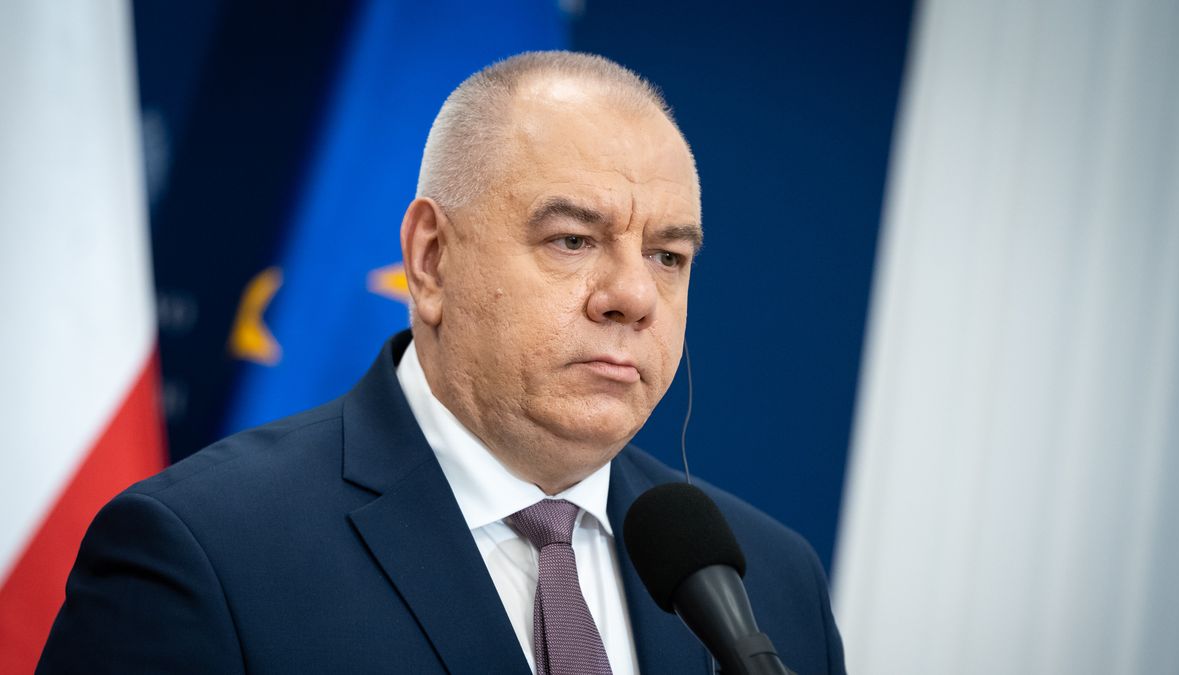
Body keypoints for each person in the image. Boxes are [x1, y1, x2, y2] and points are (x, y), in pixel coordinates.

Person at [37, 51, 845, 674]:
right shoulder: (205, 553)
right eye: (572, 239)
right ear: (430, 259)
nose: (634, 296)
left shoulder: (774, 583)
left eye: (668, 256)